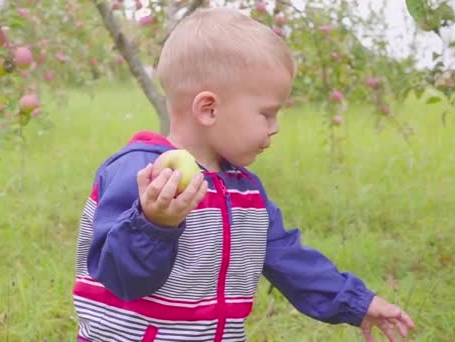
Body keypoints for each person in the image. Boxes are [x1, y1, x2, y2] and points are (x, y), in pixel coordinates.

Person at [72, 7, 415, 342]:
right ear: (209, 109)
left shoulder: (245, 191)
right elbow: (119, 277)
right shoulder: (142, 175)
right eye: (266, 114)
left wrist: (356, 302)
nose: (275, 128)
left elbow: (287, 257)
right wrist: (153, 224)